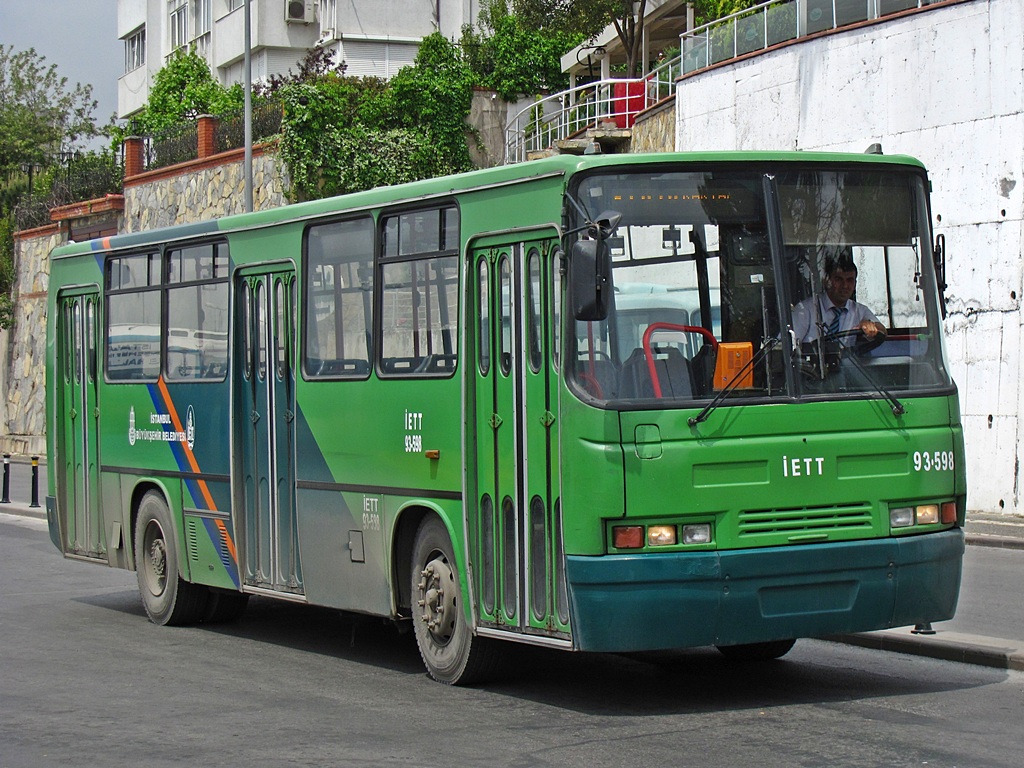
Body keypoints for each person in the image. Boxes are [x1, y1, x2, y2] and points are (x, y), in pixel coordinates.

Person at [791, 253, 886, 345]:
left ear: (855, 284)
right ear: (826, 281)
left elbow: (882, 331)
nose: (845, 286)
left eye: (849, 280)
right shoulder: (805, 310)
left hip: (849, 361)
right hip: (814, 361)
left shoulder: (859, 311)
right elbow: (788, 345)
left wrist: (869, 326)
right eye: (838, 279)